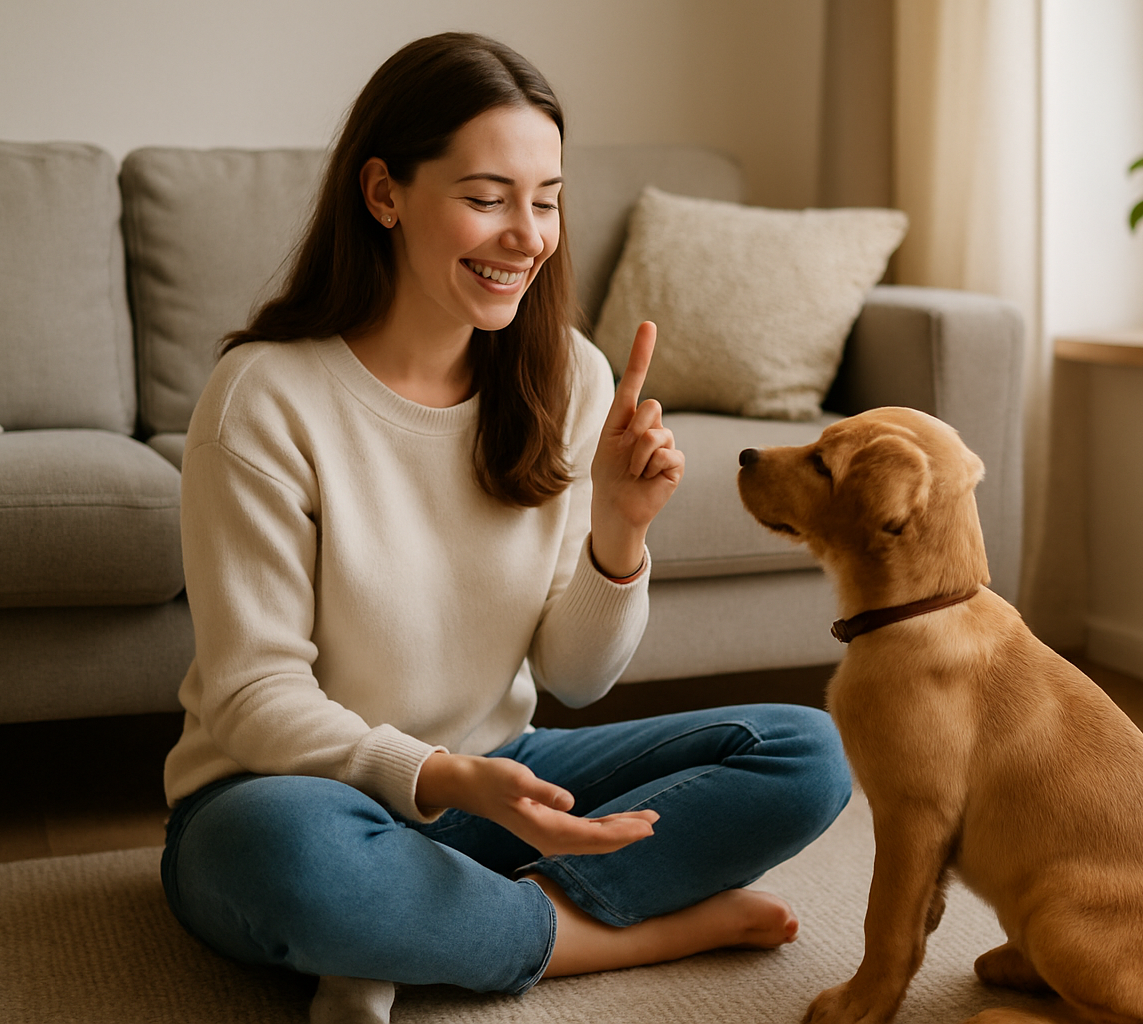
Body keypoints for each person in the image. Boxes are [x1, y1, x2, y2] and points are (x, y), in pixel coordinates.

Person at [158, 31, 851, 1024]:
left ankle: (410, 929)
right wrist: (438, 777)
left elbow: (574, 677)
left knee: (808, 752)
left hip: (499, 777)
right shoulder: (265, 396)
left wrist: (620, 528)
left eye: (547, 198)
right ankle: (623, 933)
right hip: (292, 793)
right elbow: (252, 693)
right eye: (487, 197)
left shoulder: (567, 377)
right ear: (385, 193)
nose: (527, 233)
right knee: (296, 862)